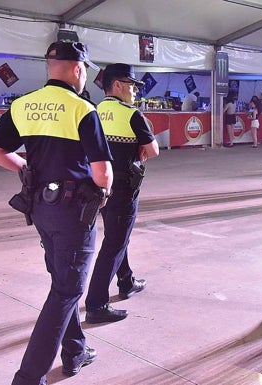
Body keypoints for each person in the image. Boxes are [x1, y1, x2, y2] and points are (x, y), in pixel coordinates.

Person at [0, 41, 112, 384]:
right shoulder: (82, 108)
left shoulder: (23, 104)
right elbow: (102, 172)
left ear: (50, 67)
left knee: (61, 280)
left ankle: (75, 351)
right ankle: (28, 377)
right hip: (74, 213)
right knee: (67, 290)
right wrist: (106, 193)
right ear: (78, 68)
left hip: (40, 207)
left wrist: (26, 167)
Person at [84, 63, 159, 324]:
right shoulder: (131, 114)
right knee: (114, 243)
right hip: (124, 189)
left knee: (116, 235)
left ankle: (126, 281)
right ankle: (96, 303)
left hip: (98, 187)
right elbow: (153, 150)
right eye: (132, 85)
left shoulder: (92, 110)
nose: (135, 91)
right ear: (117, 85)